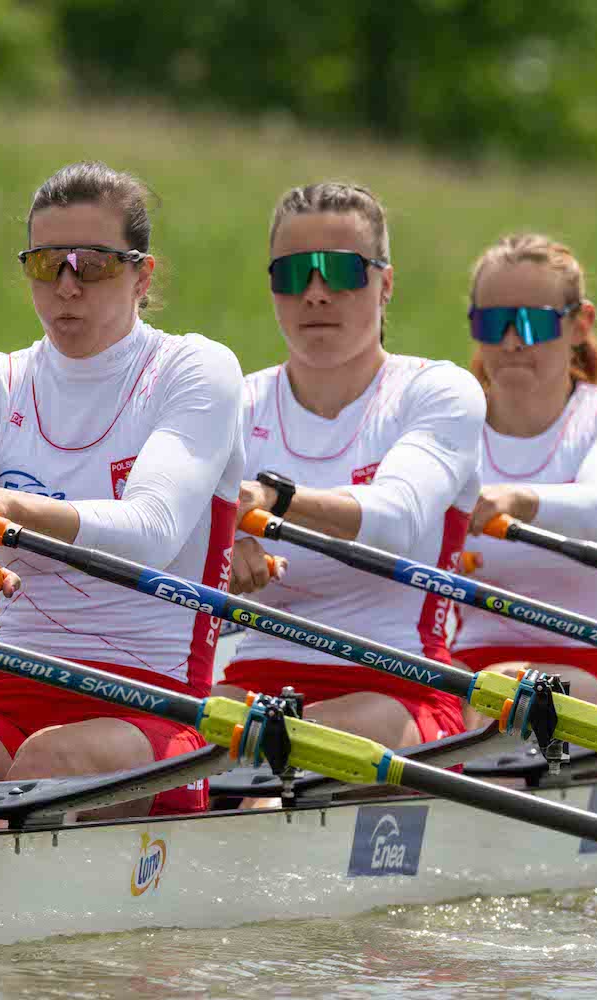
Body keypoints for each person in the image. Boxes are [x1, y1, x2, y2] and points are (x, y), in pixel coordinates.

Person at [0, 162, 244, 833]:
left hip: (153, 696)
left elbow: (152, 529)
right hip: (8, 678)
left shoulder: (194, 369)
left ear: (142, 276)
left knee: (50, 762)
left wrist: (6, 507)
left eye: (94, 264)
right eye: (46, 263)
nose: (67, 284)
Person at [214, 182, 485, 750]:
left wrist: (274, 500)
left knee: (275, 746)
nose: (315, 294)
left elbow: (397, 517)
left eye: (340, 271)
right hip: (256, 682)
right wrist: (220, 557)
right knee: (188, 744)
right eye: (294, 274)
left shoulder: (438, 392)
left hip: (403, 686)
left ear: (385, 283)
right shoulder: (235, 405)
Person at [453, 233, 597, 735]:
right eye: (493, 323)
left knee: (503, 691)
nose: (511, 342)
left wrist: (514, 499)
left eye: (532, 322)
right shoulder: (448, 426)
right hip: (466, 675)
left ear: (580, 324)